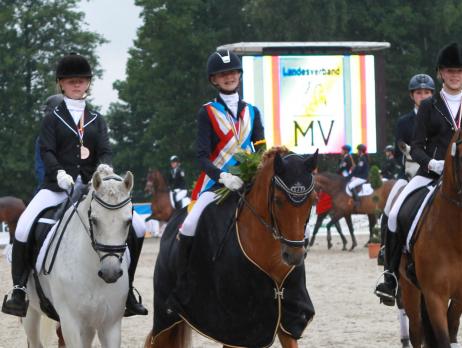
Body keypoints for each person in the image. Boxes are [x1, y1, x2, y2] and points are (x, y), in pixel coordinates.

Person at [374, 42, 462, 312]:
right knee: (394, 215)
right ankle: (391, 277)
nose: (455, 75)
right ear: (441, 73)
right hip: (430, 175)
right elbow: (416, 146)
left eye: (460, 71)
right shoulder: (429, 106)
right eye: (450, 71)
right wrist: (433, 163)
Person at [2, 53, 147, 317]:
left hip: (93, 188)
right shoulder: (52, 118)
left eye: (81, 81)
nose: (77, 85)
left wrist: (105, 167)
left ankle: (129, 291)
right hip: (56, 186)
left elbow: (104, 149)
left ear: (88, 84)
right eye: (71, 81)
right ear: (61, 84)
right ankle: (20, 289)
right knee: (23, 226)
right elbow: (46, 150)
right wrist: (57, 173)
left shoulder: (96, 119)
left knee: (137, 225)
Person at [177, 49, 266, 278]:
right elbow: (202, 157)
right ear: (214, 80)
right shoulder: (207, 112)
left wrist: (258, 170)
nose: (229, 77)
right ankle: (183, 277)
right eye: (223, 74)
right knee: (188, 225)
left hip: (249, 182)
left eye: (233, 72)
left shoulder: (252, 112)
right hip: (217, 184)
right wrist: (223, 176)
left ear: (240, 75)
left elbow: (262, 148)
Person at [394, 74, 435, 179]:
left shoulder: (440, 119)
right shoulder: (403, 122)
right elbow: (398, 154)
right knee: (396, 193)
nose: (423, 96)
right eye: (418, 93)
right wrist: (411, 163)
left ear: (432, 95)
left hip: (436, 171)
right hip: (410, 172)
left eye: (427, 92)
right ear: (412, 95)